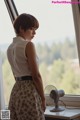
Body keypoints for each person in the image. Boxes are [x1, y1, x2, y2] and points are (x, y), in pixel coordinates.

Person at [7, 13, 46, 120]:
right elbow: (36, 75)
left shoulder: (9, 48)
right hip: (29, 92)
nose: (35, 32)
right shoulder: (28, 45)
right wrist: (43, 98)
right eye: (31, 29)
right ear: (21, 29)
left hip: (16, 92)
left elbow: (15, 75)